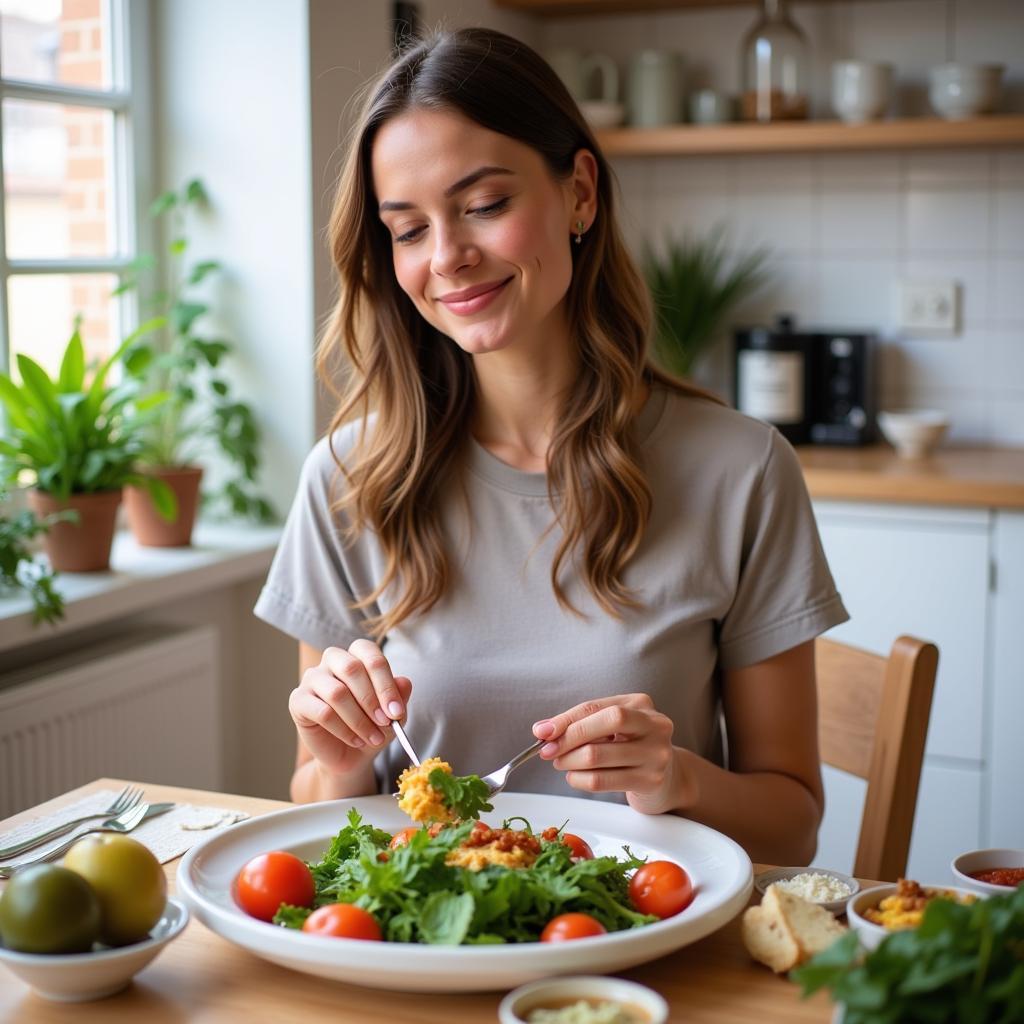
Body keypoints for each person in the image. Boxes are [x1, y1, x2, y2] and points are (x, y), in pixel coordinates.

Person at [254, 27, 848, 866]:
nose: (448, 258)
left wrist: (674, 778)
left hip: (645, 956)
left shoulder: (742, 471)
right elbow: (313, 800)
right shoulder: (349, 479)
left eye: (485, 205)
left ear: (579, 193)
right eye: (408, 229)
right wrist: (340, 765)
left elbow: (793, 824)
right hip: (422, 953)